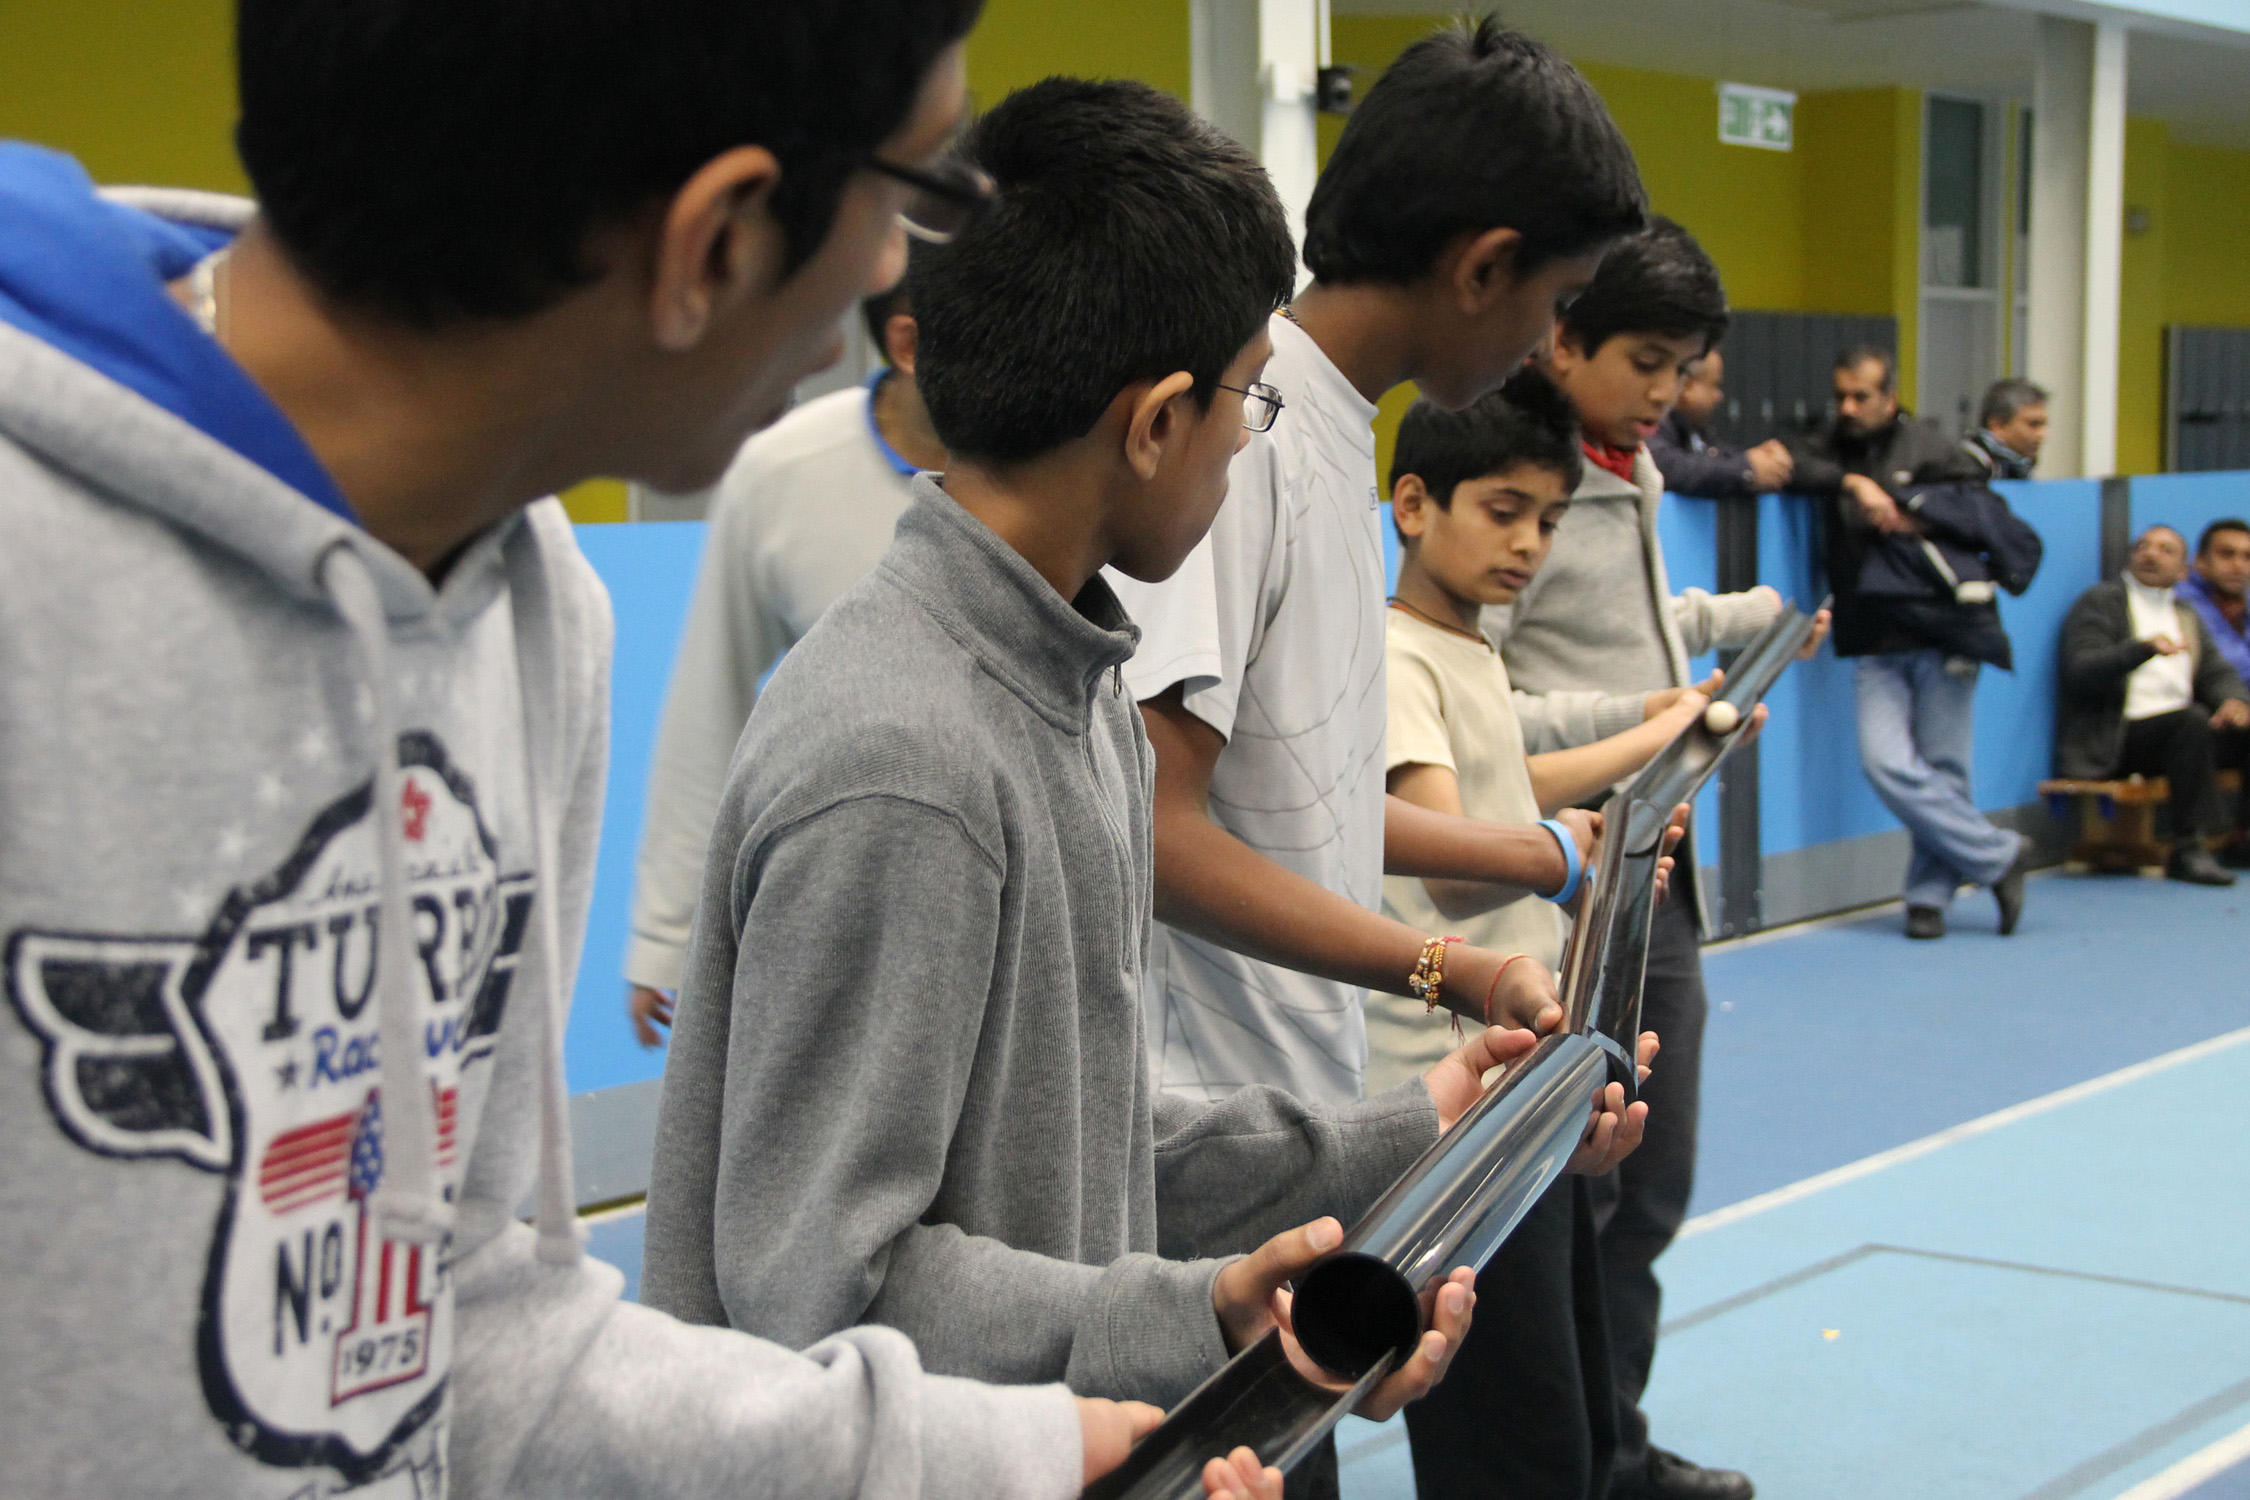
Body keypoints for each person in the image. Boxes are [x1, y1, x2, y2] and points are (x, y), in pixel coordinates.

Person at [0, 0, 1204, 1493]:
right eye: (909, 197)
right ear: (712, 242)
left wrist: (1005, 1452)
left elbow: (468, 1321)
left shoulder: (530, 611)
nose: (901, 275)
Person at [638, 72, 1652, 1437]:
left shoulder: (1069, 697)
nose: (1249, 434)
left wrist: (1413, 1125)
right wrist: (1200, 1315)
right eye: (1244, 396)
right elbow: (821, 1291)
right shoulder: (905, 760)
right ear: (1157, 420)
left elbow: (1095, 1155)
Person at [1495, 216, 1827, 1500]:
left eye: (1682, 366)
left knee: (1647, 1184)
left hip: (1651, 871)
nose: (1665, 392)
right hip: (1554, 887)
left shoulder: (1622, 463)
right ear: (1560, 333)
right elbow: (1480, 702)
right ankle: (1570, 1461)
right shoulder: (1515, 475)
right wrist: (1640, 720)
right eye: (1644, 357)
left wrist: (1727, 623)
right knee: (1559, 1209)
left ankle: (1614, 1449)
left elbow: (1624, 627)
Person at [624, 282, 943, 1045]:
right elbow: (712, 699)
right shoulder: (783, 471)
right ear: (908, 344)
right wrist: (664, 934)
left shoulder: (1058, 462)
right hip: (842, 904)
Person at [1786, 347, 2043, 941]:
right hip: (1871, 632)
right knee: (1886, 763)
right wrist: (1854, 482)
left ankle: (1927, 900)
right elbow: (1789, 462)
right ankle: (1999, 855)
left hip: (1942, 626)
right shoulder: (1827, 443)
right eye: (1841, 396)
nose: (1847, 408)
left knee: (1944, 768)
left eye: (1861, 397)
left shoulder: (1930, 443)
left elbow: (1980, 513)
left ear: (1890, 398)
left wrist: (1913, 513)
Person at [2057, 526, 2250, 885]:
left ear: (2183, 571)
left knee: (2232, 724)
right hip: (2117, 736)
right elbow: (2079, 670)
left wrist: (2235, 702)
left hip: (2179, 735)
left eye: (2165, 550)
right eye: (2143, 547)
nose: (2151, 554)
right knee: (2190, 721)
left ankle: (2243, 839)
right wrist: (2141, 650)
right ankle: (2190, 848)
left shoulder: (2185, 613)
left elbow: (2216, 672)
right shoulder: (2102, 602)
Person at [1645, 347, 1793, 499]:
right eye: (1714, 385)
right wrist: (1746, 469)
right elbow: (1665, 466)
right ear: (1687, 387)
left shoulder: (1689, 429)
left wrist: (1760, 462)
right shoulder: (1655, 423)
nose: (1719, 396)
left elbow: (1711, 456)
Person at [2180, 517, 2250, 693]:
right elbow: (2228, 667)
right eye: (2227, 554)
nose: (2238, 566)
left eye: (2248, 557)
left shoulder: (2243, 603)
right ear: (2200, 561)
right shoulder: (2180, 602)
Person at [1963, 377, 2048, 480]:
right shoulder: (1965, 468)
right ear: (1997, 425)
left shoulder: (2018, 467)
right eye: (2033, 424)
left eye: (2043, 424)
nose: (2042, 434)